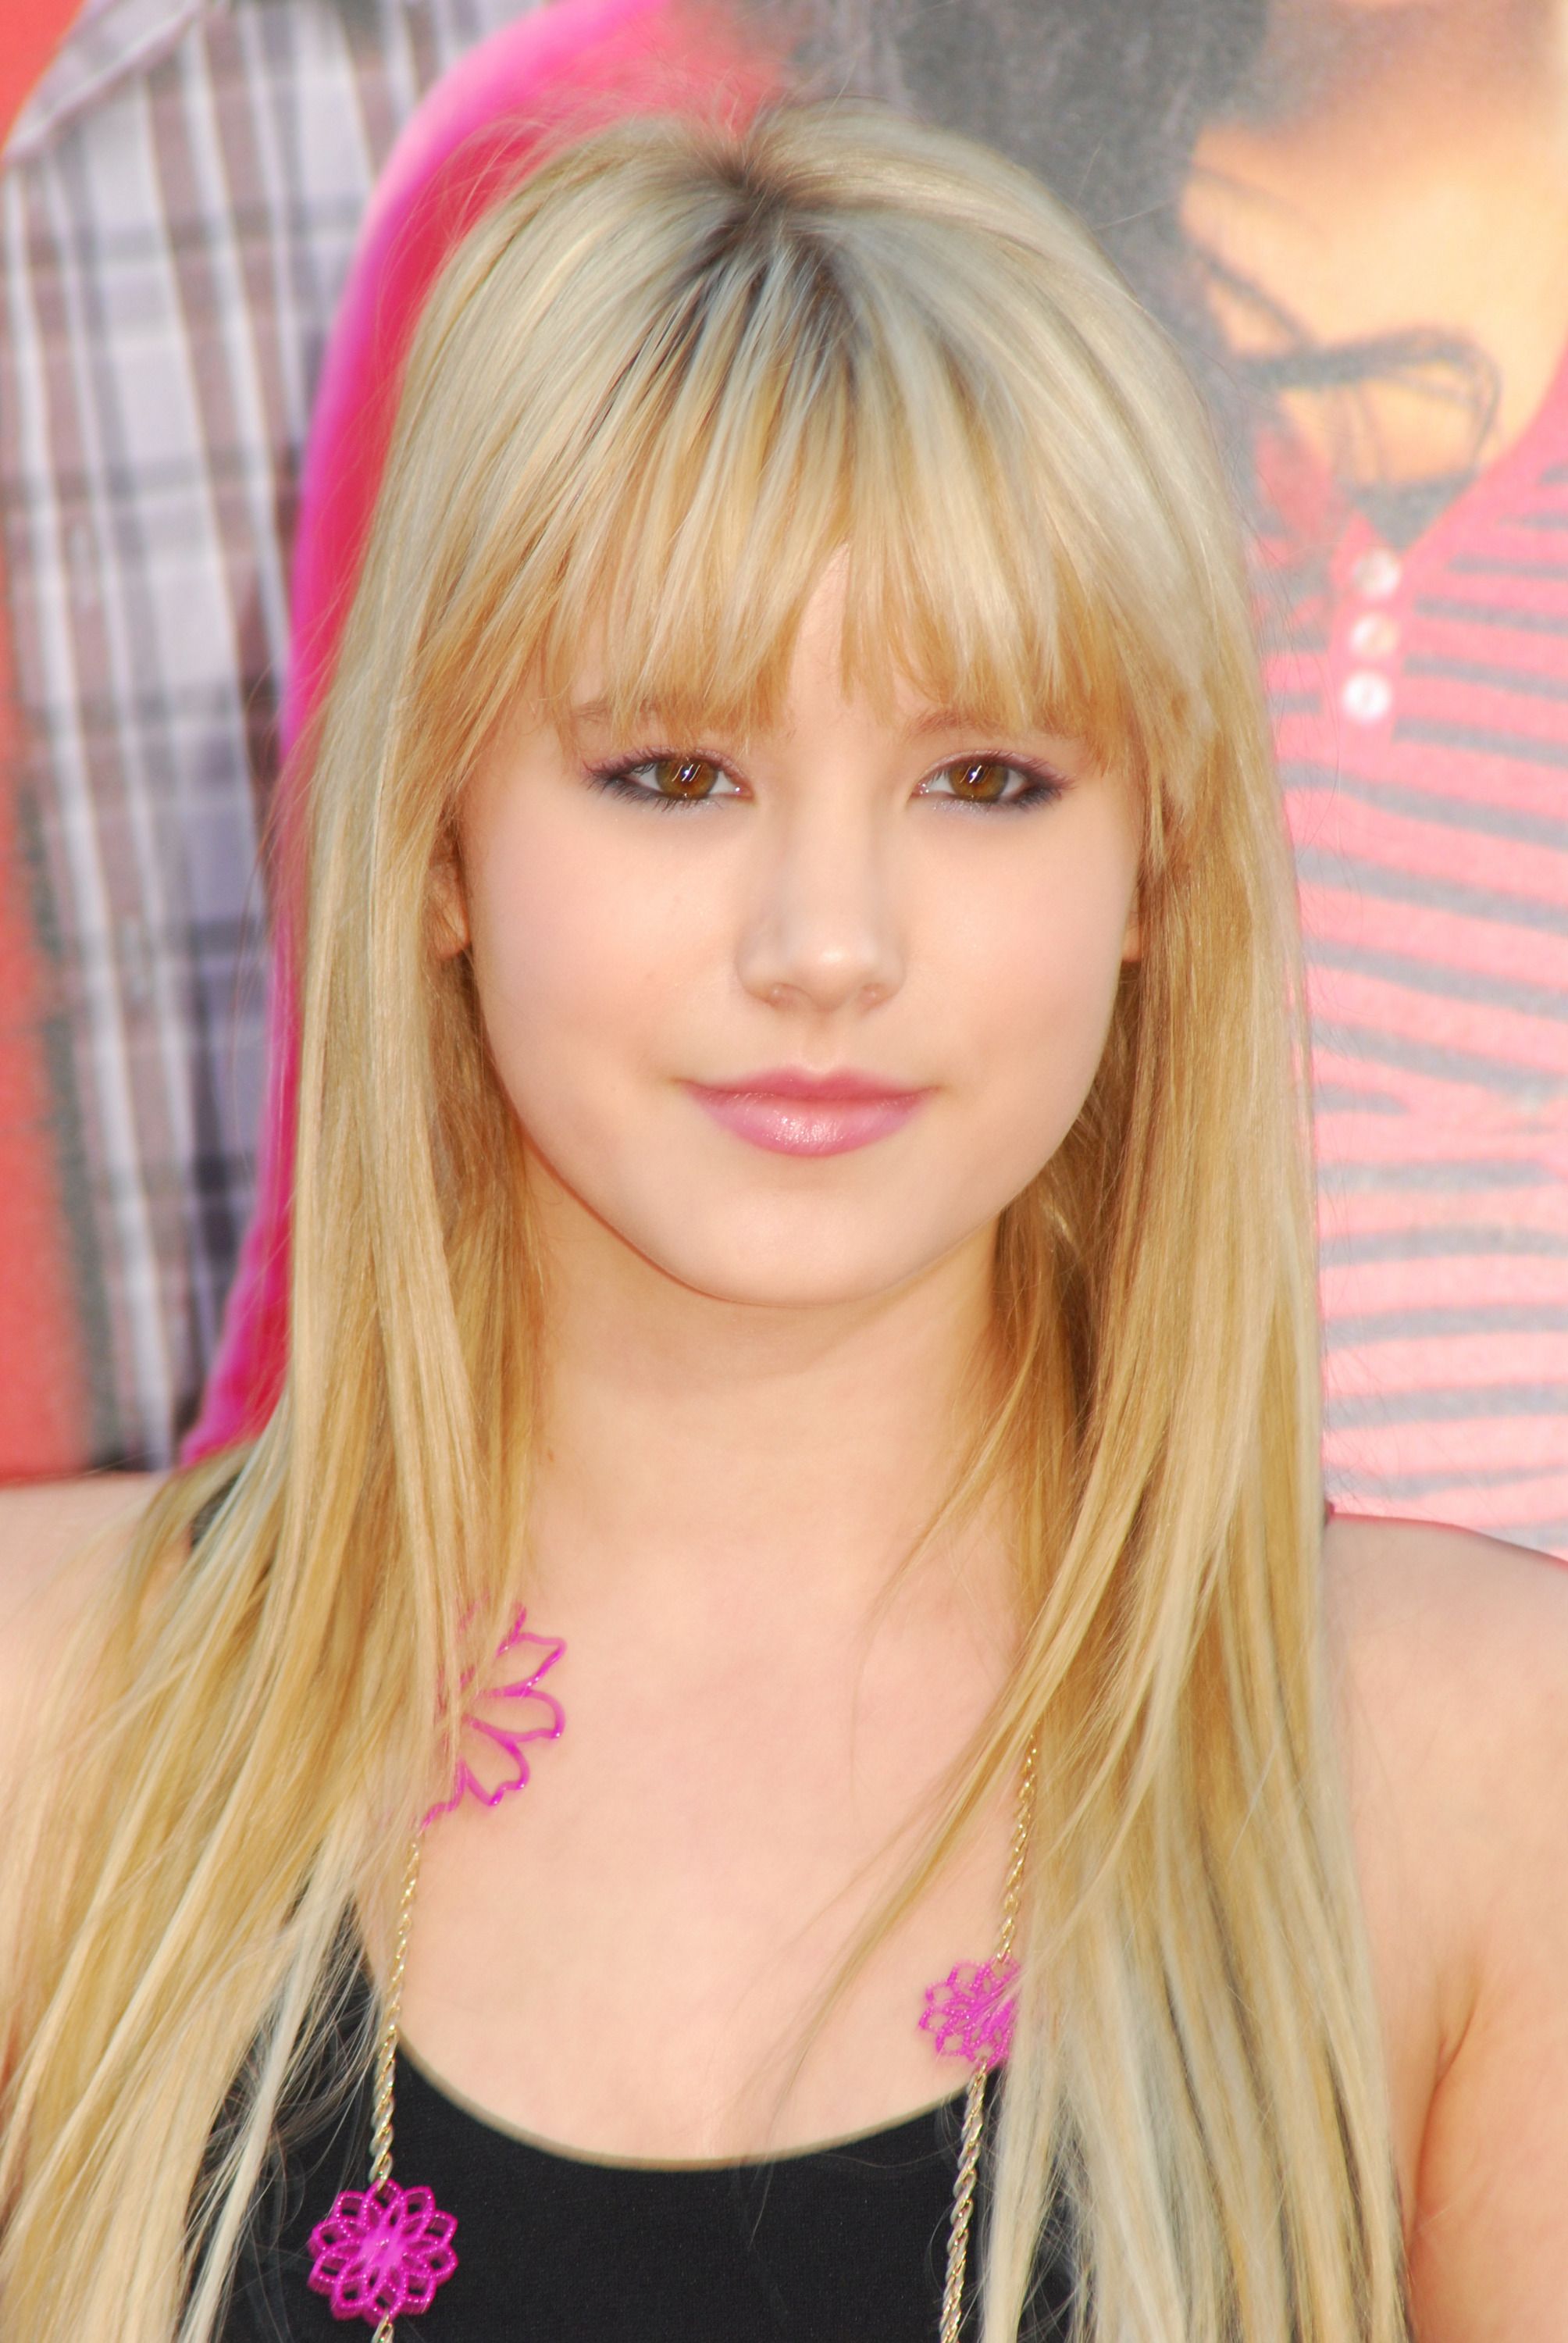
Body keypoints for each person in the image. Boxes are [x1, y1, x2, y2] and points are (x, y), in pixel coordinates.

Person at [2, 98, 1567, 2343]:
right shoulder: (49, 1728)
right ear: (436, 848)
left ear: (1157, 866)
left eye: (984, 779)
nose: (828, 943)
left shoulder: (1472, 1777)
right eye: (674, 774)